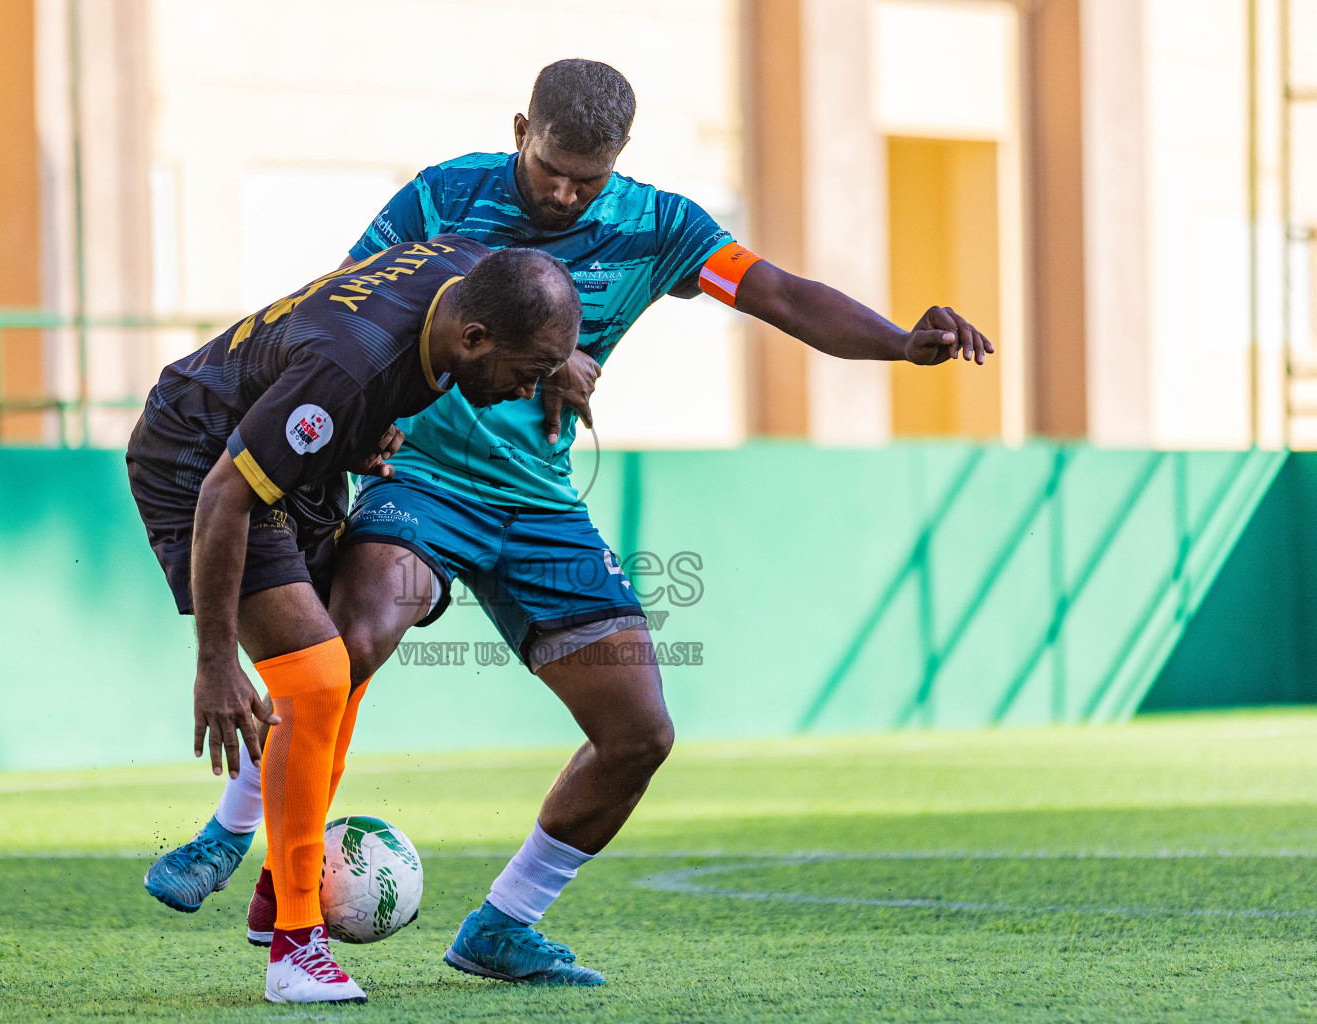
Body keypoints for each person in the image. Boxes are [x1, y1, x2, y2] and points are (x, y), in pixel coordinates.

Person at [146, 58, 993, 987]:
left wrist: (898, 342)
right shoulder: (442, 197)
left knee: (641, 732)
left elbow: (780, 295)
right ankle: (238, 835)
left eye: (587, 176)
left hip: (541, 499)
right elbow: (354, 312)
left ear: (621, 159)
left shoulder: (664, 227)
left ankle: (505, 923)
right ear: (522, 129)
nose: (563, 189)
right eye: (550, 164)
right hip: (419, 475)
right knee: (351, 639)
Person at [126, 237, 580, 1003]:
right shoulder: (347, 372)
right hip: (198, 460)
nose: (530, 389)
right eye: (529, 372)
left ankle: (276, 899)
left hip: (285, 453)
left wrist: (358, 429)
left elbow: (354, 301)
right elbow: (224, 497)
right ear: (473, 338)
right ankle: (295, 950)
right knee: (314, 671)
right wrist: (213, 665)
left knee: (343, 666)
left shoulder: (466, 278)